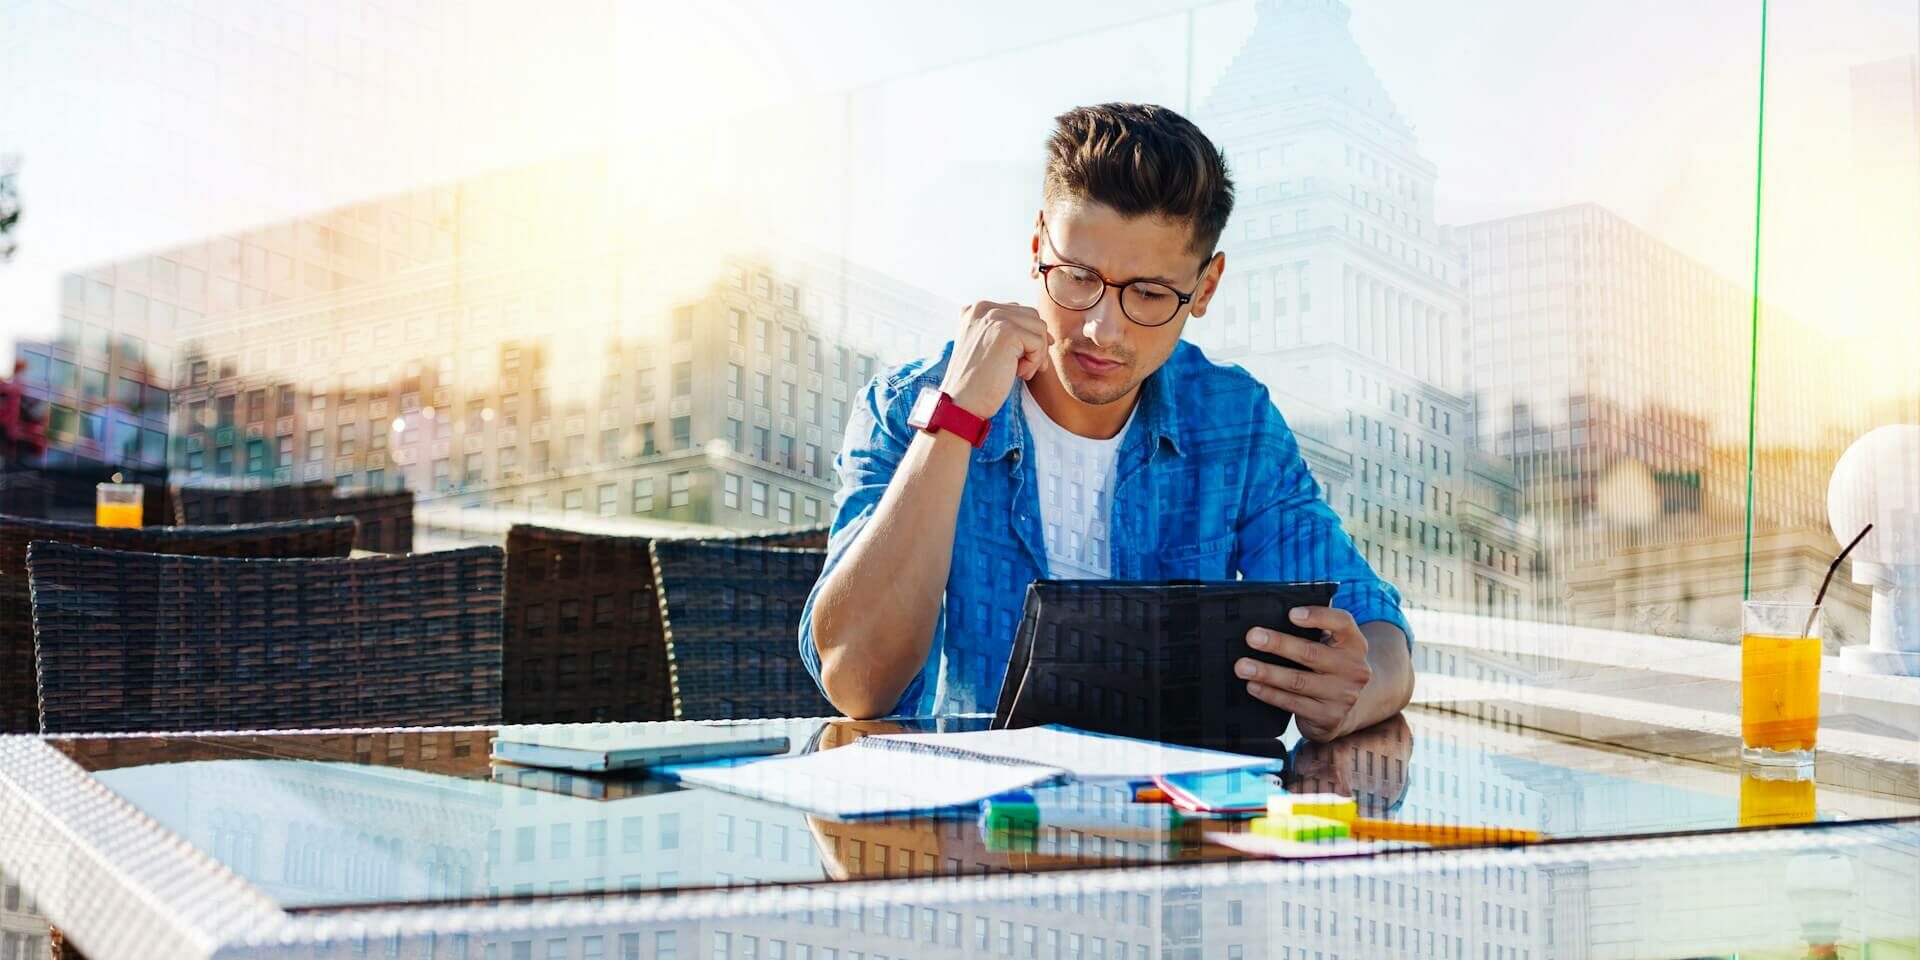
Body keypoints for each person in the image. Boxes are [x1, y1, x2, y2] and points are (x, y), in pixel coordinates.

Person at [799, 102, 1413, 741]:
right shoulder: (909, 407)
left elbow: (1379, 636)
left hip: (1170, 801)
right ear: (1038, 246)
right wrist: (955, 421)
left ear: (1205, 288)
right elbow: (858, 684)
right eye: (1077, 277)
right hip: (966, 796)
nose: (1101, 328)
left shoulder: (1235, 424)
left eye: (1148, 294)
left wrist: (1354, 687)